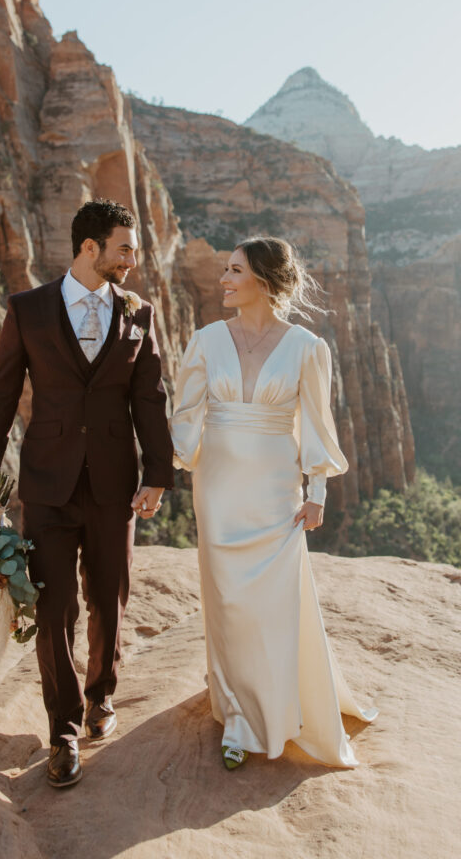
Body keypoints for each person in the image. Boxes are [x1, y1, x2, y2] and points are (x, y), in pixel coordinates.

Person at [0, 199, 175, 788]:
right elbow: (1, 395)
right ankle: (60, 730)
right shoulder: (28, 309)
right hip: (48, 484)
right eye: (125, 249)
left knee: (109, 601)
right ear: (91, 249)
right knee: (53, 606)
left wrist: (157, 473)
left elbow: (149, 397)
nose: (133, 260)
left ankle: (100, 697)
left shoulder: (139, 312)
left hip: (114, 484)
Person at [171, 236, 377, 770]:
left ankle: (282, 706)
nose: (223, 280)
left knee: (273, 605)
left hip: (275, 493)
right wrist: (163, 461)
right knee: (229, 604)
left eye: (234, 271)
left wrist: (318, 494)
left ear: (262, 280)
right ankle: (237, 713)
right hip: (217, 490)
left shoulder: (308, 348)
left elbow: (315, 424)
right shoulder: (206, 340)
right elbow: (186, 412)